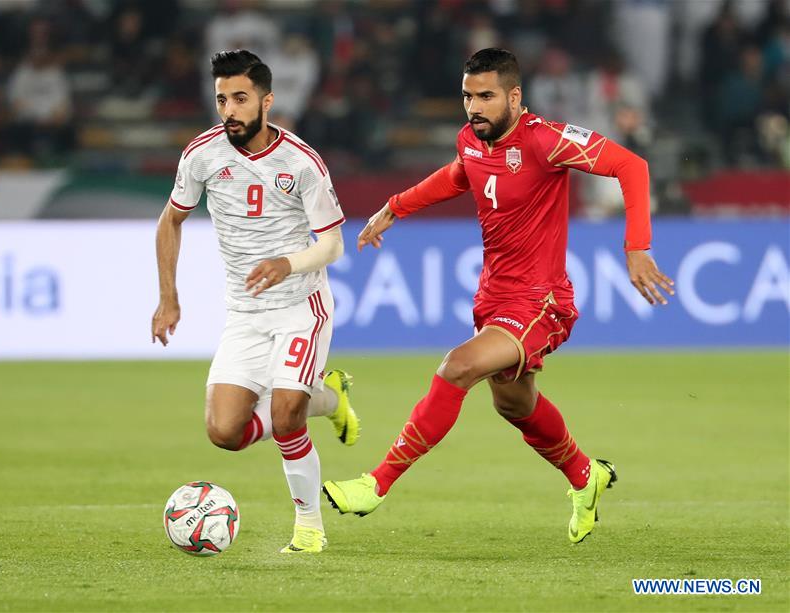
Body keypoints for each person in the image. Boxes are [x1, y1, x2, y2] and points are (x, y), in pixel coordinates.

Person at [323, 48, 674, 544]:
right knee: (514, 403)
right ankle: (583, 474)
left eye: (486, 96)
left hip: (541, 300)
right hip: (494, 297)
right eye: (467, 96)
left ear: (514, 96)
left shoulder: (546, 140)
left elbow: (631, 166)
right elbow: (457, 175)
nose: (474, 107)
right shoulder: (471, 138)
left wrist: (637, 247)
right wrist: (394, 207)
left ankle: (375, 484)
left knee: (457, 366)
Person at [152, 50, 358, 554]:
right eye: (222, 99)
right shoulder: (201, 155)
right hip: (245, 313)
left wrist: (287, 264)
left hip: (300, 305)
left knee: (286, 414)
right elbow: (170, 221)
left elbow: (333, 243)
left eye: (240, 98)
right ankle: (328, 397)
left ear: (266, 101)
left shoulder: (301, 162)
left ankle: (309, 527)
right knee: (225, 432)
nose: (229, 109)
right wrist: (168, 299)